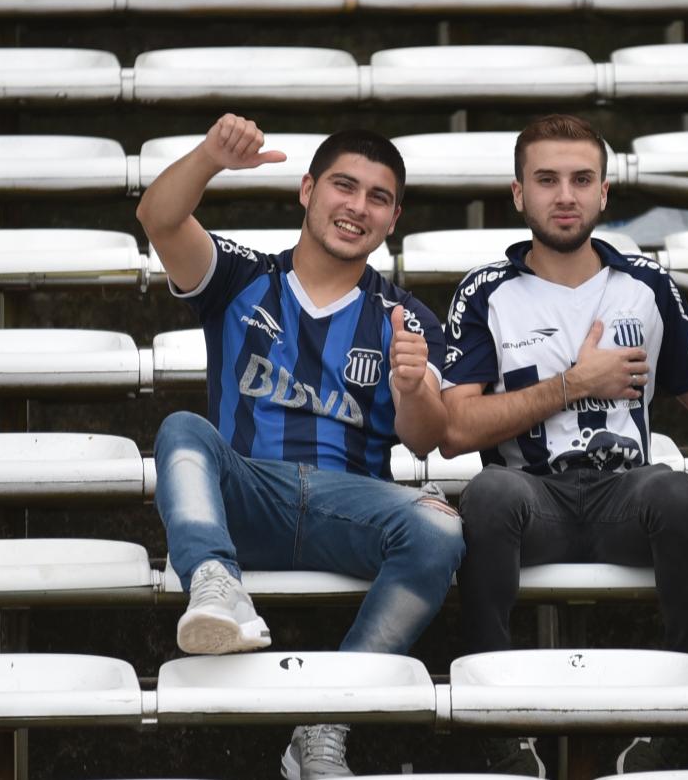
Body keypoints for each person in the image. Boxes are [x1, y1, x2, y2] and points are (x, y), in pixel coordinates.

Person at [137, 114, 465, 780]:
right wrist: (209, 157)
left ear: (393, 218)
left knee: (440, 528)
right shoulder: (240, 278)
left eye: (378, 197)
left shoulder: (406, 317)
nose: (357, 207)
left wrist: (413, 385)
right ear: (308, 190)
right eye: (344, 186)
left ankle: (327, 723)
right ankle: (214, 582)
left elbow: (431, 438)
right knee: (181, 429)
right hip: (249, 495)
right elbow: (160, 219)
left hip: (351, 509)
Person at [440, 113, 688, 777]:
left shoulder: (646, 285)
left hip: (626, 499)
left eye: (581, 179)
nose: (565, 194)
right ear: (518, 193)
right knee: (490, 491)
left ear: (604, 193)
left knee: (676, 489)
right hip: (531, 501)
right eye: (547, 180)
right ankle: (489, 725)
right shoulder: (485, 291)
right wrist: (571, 385)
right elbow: (455, 432)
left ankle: (685, 713)